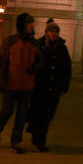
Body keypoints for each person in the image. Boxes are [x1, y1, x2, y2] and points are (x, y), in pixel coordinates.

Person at [0, 12, 41, 151]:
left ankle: (16, 141)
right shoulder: (10, 41)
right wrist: (2, 79)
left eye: (32, 23)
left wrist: (35, 68)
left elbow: (41, 62)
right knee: (7, 111)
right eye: (29, 23)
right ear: (22, 25)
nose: (32, 25)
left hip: (27, 85)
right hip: (11, 83)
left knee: (22, 114)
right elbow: (0, 61)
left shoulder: (34, 44)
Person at [30, 20, 71, 151]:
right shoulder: (38, 45)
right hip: (40, 86)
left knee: (49, 114)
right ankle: (38, 139)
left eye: (56, 31)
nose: (54, 34)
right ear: (46, 32)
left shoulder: (62, 48)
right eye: (52, 31)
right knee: (38, 112)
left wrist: (64, 85)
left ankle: (40, 136)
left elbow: (67, 68)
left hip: (55, 87)